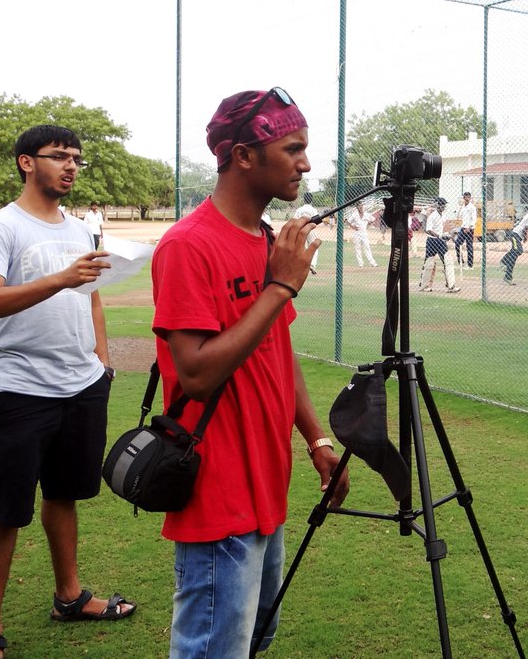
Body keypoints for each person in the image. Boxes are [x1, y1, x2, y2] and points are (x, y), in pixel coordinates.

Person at [151, 87, 348, 658]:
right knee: (213, 649)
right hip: (217, 494)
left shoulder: (267, 241)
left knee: (255, 639)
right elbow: (196, 376)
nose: (306, 164)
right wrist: (281, 285)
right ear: (243, 156)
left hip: (269, 485)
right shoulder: (189, 245)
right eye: (293, 149)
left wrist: (315, 439)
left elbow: (276, 352)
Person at [0, 125, 133, 659]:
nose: (70, 166)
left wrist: (101, 362)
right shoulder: (0, 228)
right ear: (25, 163)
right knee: (7, 509)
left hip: (81, 385)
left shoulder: (82, 230)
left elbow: (93, 298)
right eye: (58, 156)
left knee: (64, 494)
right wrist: (60, 279)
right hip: (18, 389)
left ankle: (69, 595)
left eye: (76, 158)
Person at [419, 196, 459, 293]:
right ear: (437, 205)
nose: (443, 207)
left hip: (440, 241)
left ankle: (451, 285)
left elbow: (441, 230)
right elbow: (428, 230)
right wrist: (440, 236)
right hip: (432, 241)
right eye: (441, 205)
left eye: (444, 205)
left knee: (447, 261)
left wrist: (449, 235)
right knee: (429, 263)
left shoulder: (443, 216)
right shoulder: (433, 216)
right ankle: (424, 286)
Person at [500, 199, 528, 285]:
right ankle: (503, 262)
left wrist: (524, 237)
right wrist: (525, 238)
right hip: (515, 234)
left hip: (517, 235)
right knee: (518, 250)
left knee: (514, 254)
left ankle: (508, 275)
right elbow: (525, 229)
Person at [292, 193, 321, 275]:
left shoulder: (299, 209)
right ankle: (312, 265)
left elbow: (294, 220)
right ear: (311, 200)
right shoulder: (313, 209)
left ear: (304, 200)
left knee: (301, 247)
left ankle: (299, 266)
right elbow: (317, 221)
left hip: (301, 229)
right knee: (314, 247)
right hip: (311, 229)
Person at [346, 202, 378, 267]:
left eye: (362, 206)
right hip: (357, 233)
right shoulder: (354, 215)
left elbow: (374, 219)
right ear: (357, 207)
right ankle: (360, 263)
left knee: (367, 247)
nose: (361, 207)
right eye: (359, 206)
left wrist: (370, 223)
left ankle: (372, 263)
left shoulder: (366, 215)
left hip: (364, 233)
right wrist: (353, 227)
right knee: (357, 248)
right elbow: (347, 221)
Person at [455, 191, 478, 268]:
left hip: (469, 229)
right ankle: (461, 262)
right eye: (466, 197)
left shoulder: (472, 207)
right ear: (464, 198)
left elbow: (474, 219)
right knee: (457, 243)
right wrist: (460, 207)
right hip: (463, 228)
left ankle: (470, 265)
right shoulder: (463, 207)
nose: (467, 198)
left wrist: (469, 227)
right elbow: (459, 215)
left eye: (468, 197)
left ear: (470, 198)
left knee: (469, 246)